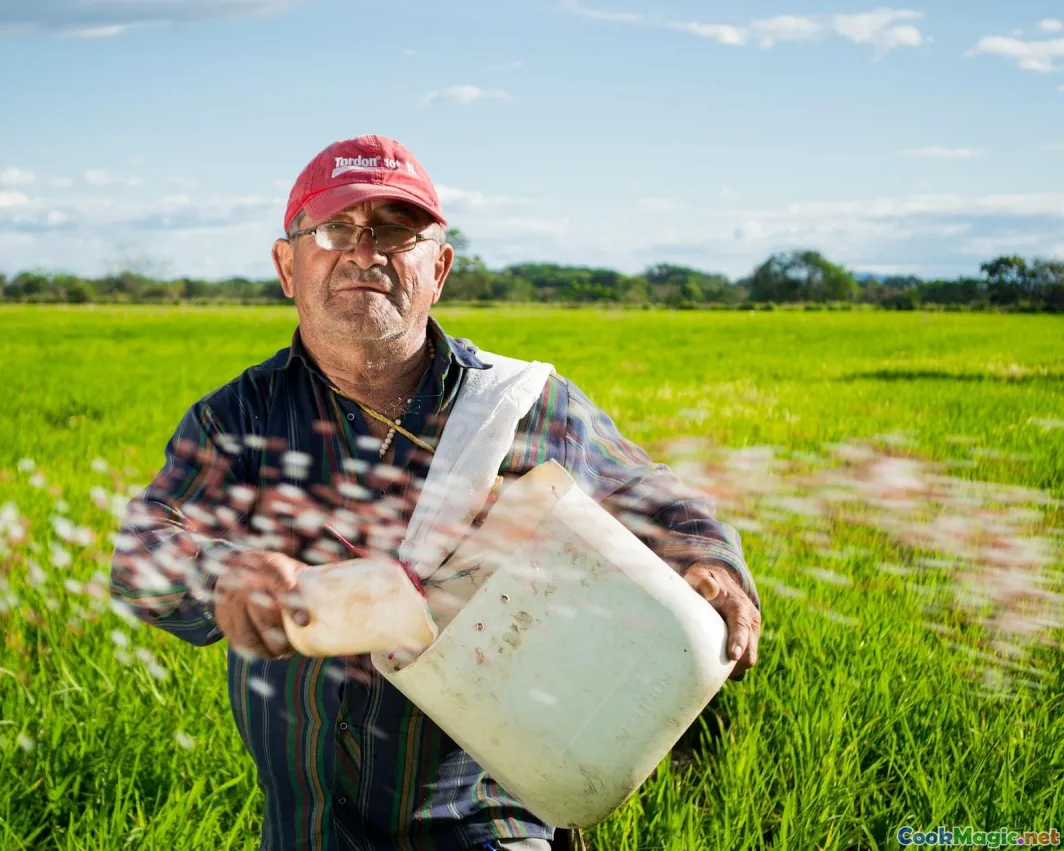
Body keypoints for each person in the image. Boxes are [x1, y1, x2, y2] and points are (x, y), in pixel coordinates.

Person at [110, 134, 762, 851]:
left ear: (438, 268)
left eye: (395, 231)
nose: (365, 251)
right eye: (333, 229)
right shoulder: (239, 419)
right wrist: (221, 574)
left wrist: (711, 560)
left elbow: (647, 490)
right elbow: (142, 551)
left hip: (490, 821)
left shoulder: (517, 404)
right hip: (306, 829)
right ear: (286, 265)